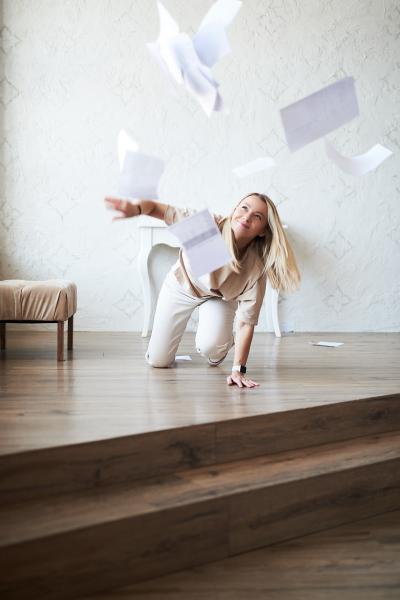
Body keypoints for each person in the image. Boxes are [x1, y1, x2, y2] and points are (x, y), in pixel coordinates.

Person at [105, 193, 300, 388]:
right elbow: (158, 209)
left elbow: (246, 323)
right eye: (244, 208)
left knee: (211, 348)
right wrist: (136, 209)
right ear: (235, 209)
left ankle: (221, 343)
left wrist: (238, 370)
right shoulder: (207, 227)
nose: (247, 217)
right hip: (182, 287)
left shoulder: (256, 266)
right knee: (158, 361)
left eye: (257, 216)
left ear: (263, 231)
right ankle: (207, 336)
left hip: (220, 298)